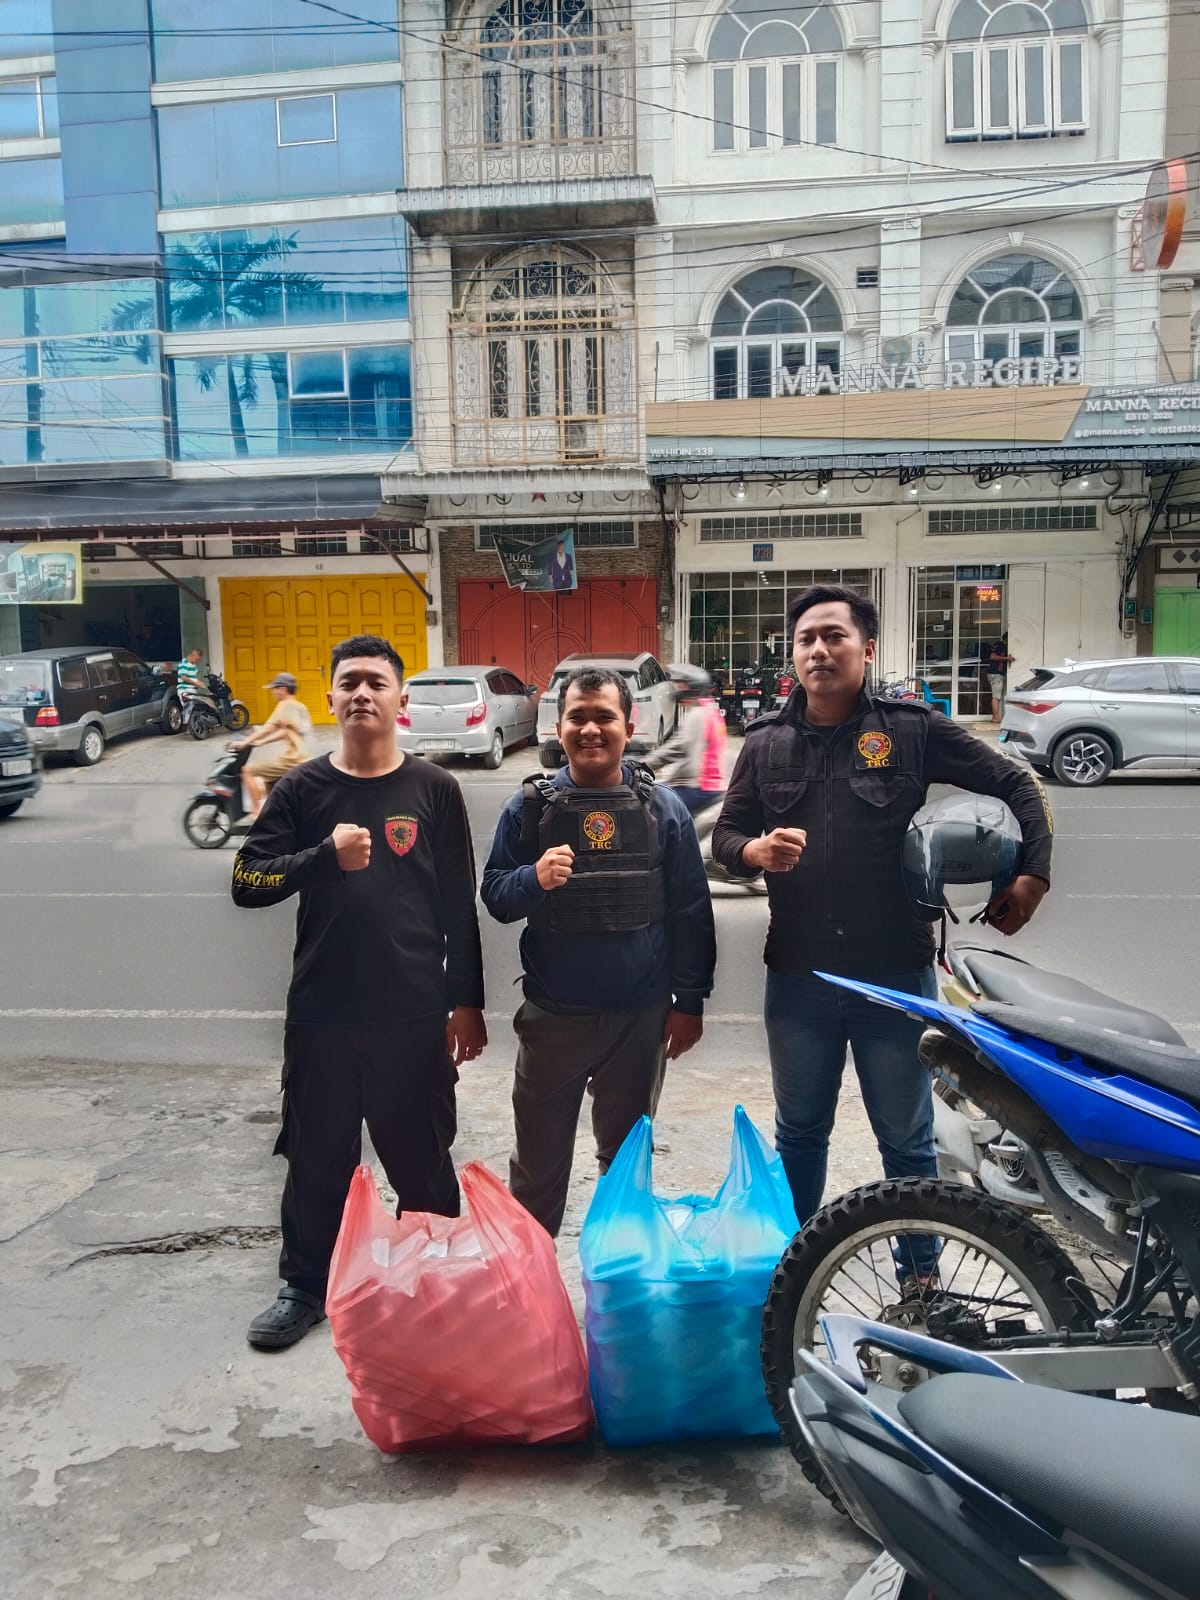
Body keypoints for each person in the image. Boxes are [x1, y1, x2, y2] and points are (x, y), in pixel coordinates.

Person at [711, 584, 1052, 1292]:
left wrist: (1032, 876)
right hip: (799, 977)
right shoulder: (766, 743)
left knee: (906, 1141)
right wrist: (754, 852)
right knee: (800, 1135)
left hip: (894, 976)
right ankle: (795, 1278)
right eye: (806, 639)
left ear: (866, 649)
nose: (819, 650)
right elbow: (725, 837)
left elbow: (1018, 785)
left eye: (834, 636)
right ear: (793, 655)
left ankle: (920, 1282)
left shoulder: (911, 730)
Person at [231, 634, 487, 1349]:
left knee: (422, 1158)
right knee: (317, 1159)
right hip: (323, 1014)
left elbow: (457, 905)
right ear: (330, 698)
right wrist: (324, 858)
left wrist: (466, 1002)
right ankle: (305, 1288)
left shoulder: (434, 789)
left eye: (376, 681)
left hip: (413, 1015)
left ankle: (434, 1276)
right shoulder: (302, 790)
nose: (362, 693)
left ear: (401, 700)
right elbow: (247, 880)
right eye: (349, 682)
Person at [481, 666, 716, 1238]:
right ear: (558, 728)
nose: (590, 729)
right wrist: (533, 879)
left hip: (639, 1020)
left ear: (628, 727)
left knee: (627, 1169)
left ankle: (619, 1276)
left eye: (604, 717)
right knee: (536, 1171)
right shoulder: (528, 808)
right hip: (553, 1018)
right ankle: (531, 1281)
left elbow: (691, 910)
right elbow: (496, 896)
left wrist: (690, 1002)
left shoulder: (664, 808)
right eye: (577, 717)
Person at [644, 663, 727, 817]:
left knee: (650, 803)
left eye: (681, 686)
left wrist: (643, 765)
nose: (677, 690)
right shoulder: (710, 710)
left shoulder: (697, 715)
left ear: (692, 688)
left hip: (697, 786)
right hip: (710, 786)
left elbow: (677, 747)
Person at [233, 672, 313, 820]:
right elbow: (286, 731)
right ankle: (275, 813)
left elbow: (269, 727)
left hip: (293, 759)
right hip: (305, 757)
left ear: (283, 689)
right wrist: (261, 742)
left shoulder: (284, 706)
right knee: (268, 780)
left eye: (274, 689)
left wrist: (244, 742)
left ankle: (256, 813)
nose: (272, 692)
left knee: (247, 771)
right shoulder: (300, 706)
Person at [985, 634, 1015, 723]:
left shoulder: (999, 645)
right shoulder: (1000, 645)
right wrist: (1007, 658)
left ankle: (995, 717)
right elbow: (993, 656)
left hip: (994, 673)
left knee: (996, 696)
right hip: (996, 674)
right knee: (996, 696)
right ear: (1007, 639)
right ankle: (996, 718)